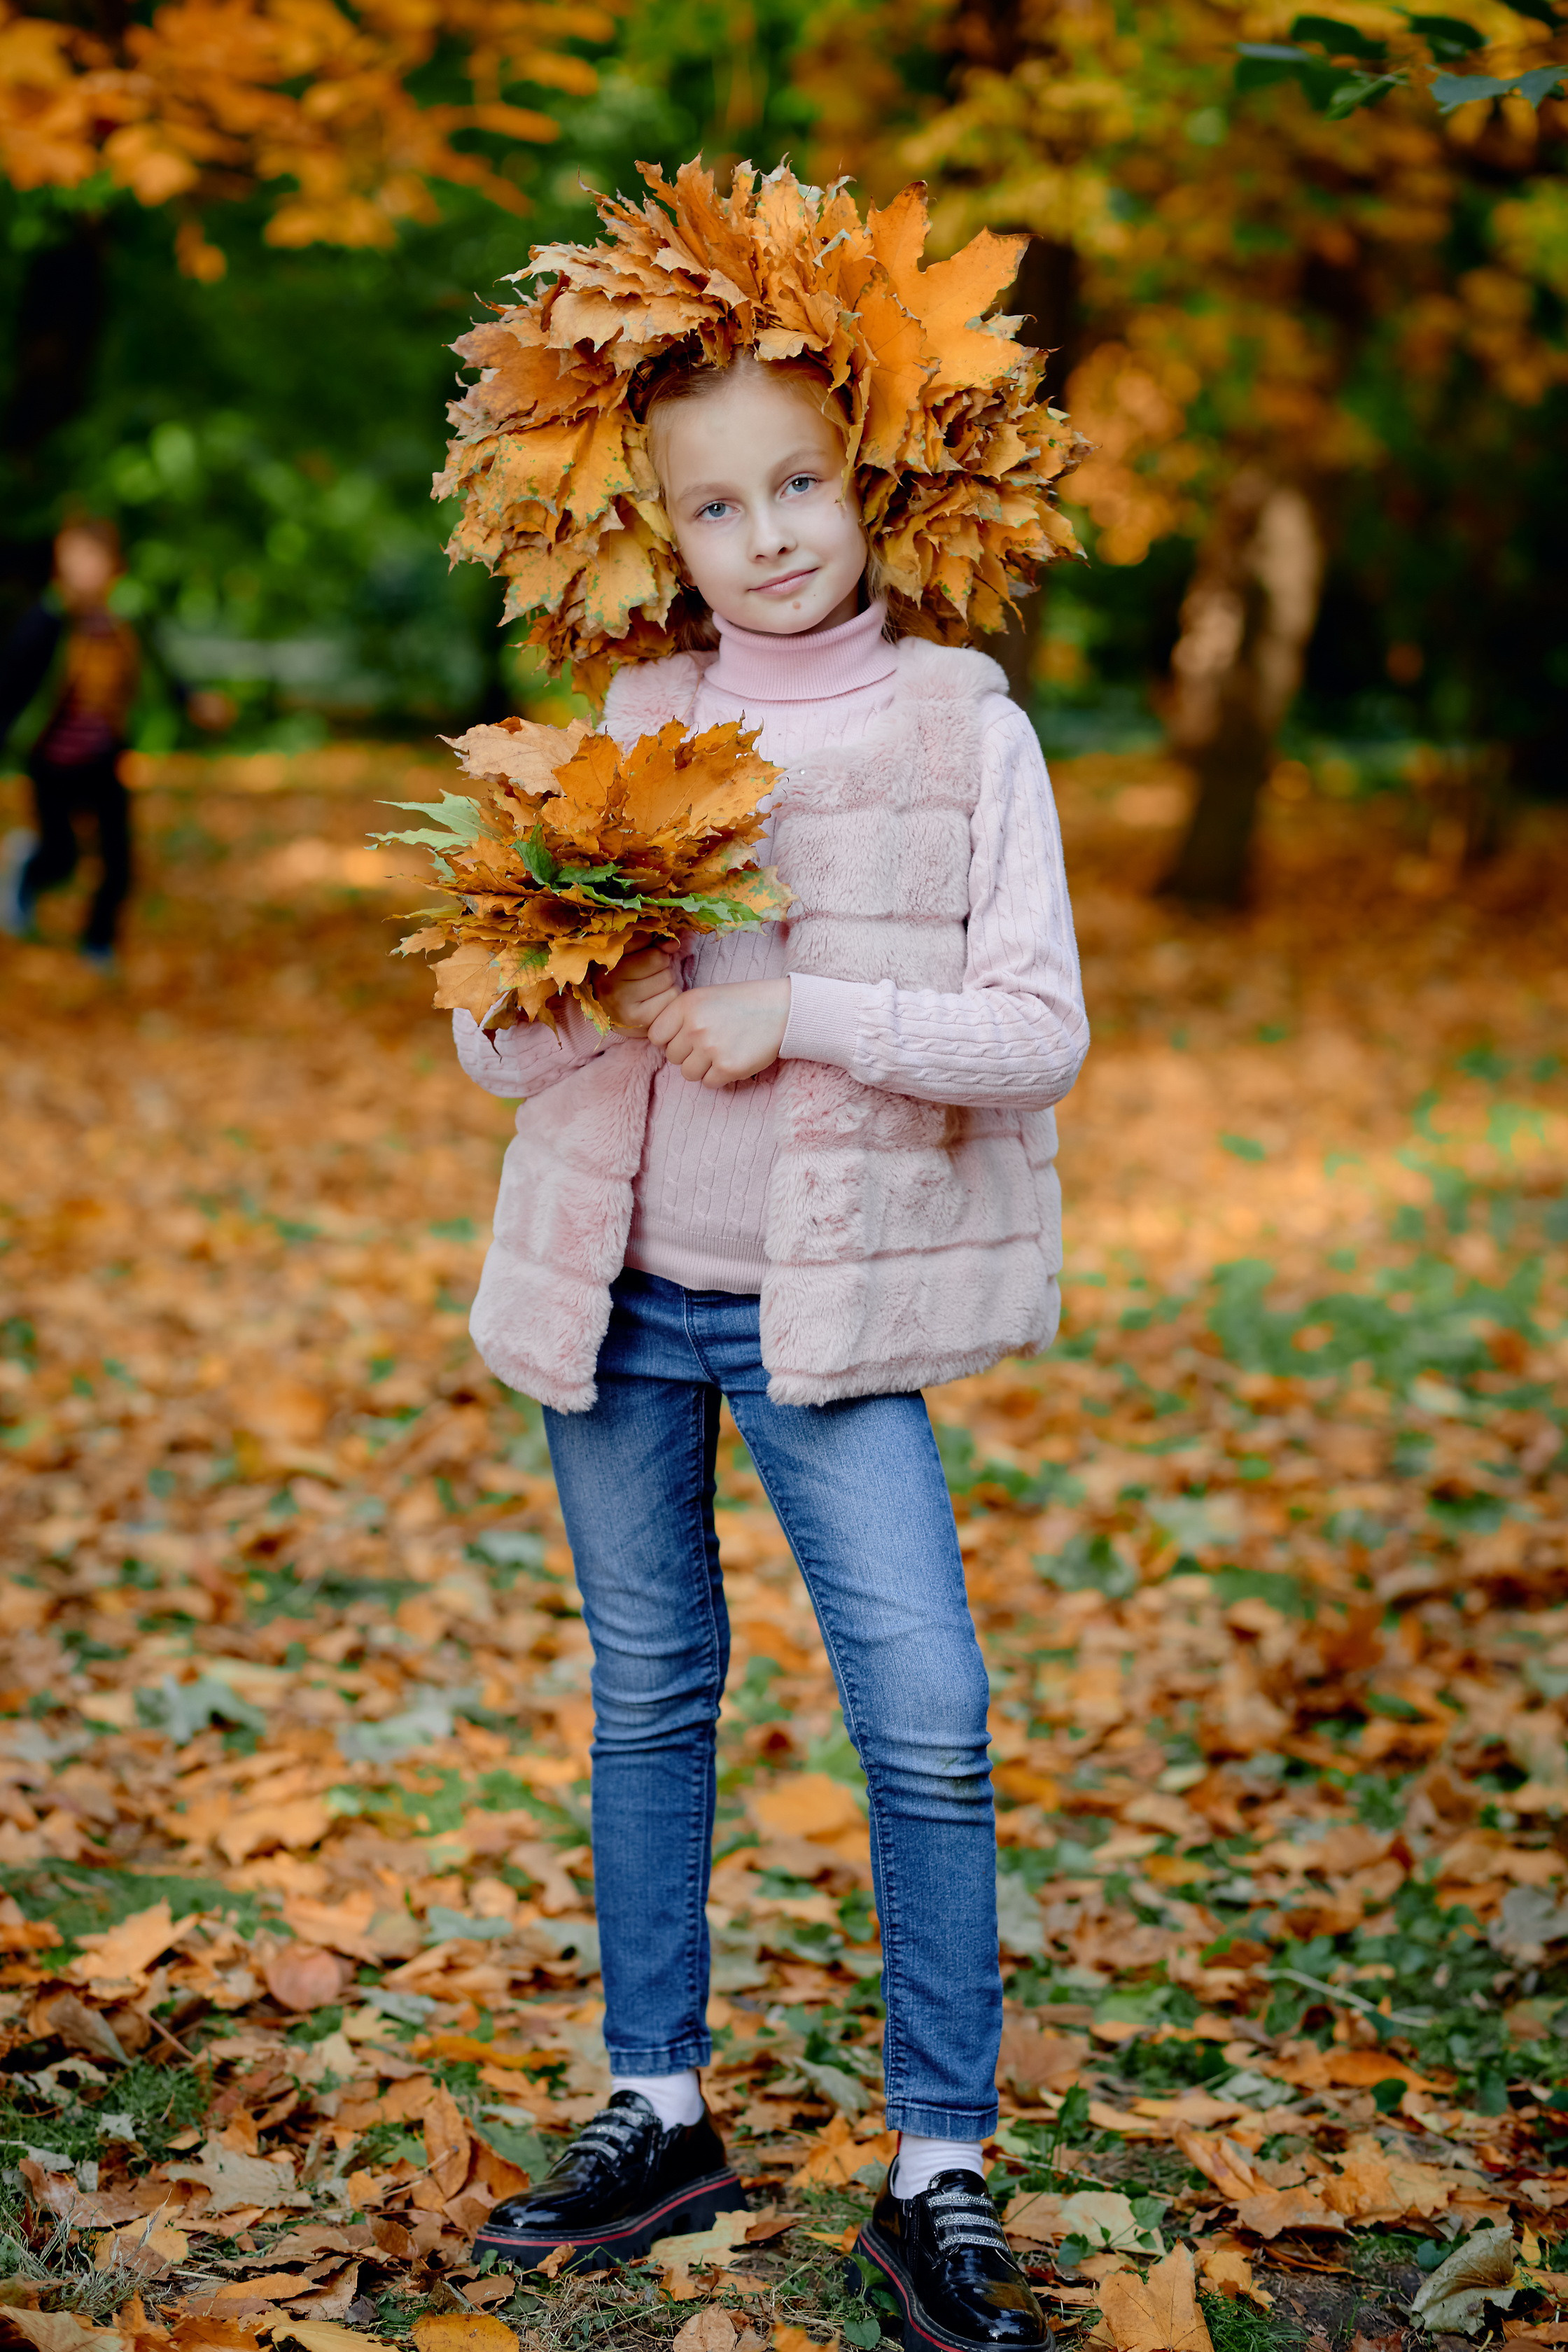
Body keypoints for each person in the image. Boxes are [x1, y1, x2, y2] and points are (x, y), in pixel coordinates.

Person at [444, 162, 1090, 2352]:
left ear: (867, 471)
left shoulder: (956, 727)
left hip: (819, 1311)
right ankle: (657, 2103)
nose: (768, 535)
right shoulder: (627, 726)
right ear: (654, 528)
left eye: (798, 481)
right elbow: (504, 1050)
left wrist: (788, 1004)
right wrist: (535, 989)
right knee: (649, 1691)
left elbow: (1029, 1037)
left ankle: (938, 2164)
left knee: (924, 1715)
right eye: (714, 508)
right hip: (615, 1295)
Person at [0, 517, 227, 969]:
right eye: (73, 558)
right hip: (51, 763)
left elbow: (165, 671)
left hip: (103, 759)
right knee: (61, 855)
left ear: (113, 567)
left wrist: (196, 703)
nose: (82, 569)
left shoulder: (126, 621)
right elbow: (11, 684)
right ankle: (27, 871)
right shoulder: (47, 620)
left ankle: (98, 942)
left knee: (119, 860)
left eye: (92, 558)